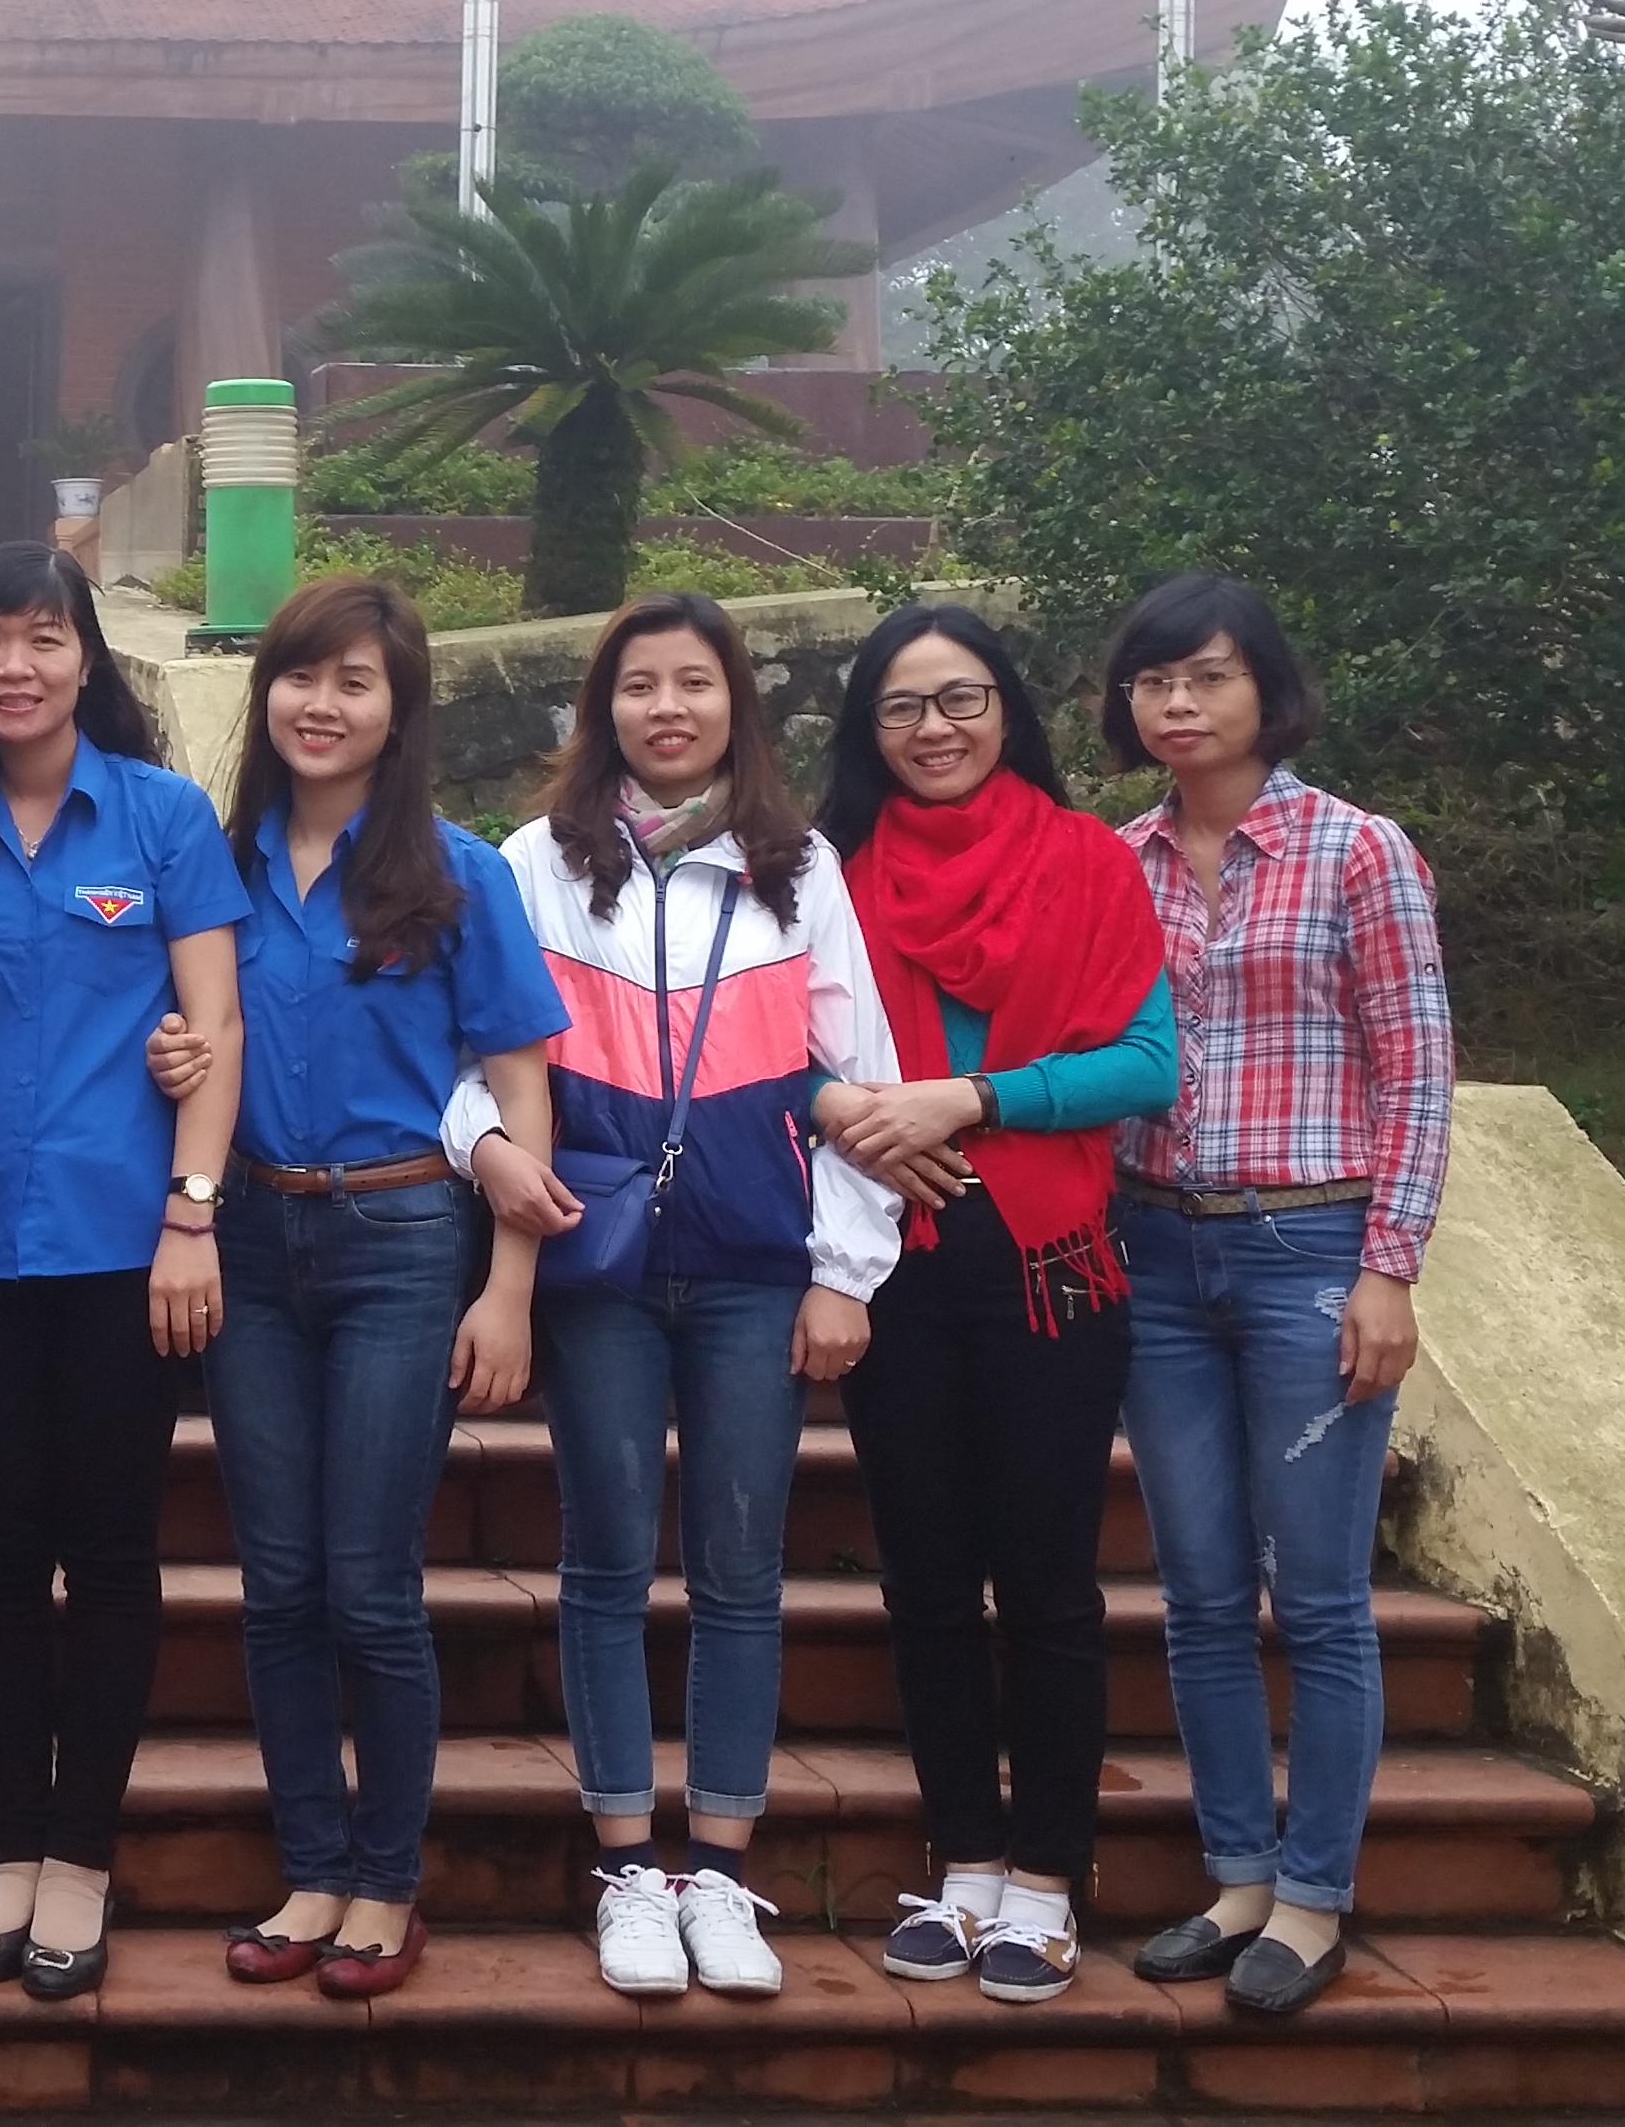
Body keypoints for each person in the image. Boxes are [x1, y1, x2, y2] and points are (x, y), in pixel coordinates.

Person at [503, 596, 904, 2000]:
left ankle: (721, 1873)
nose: (666, 708)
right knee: (605, 1559)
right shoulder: (536, 863)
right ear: (600, 707)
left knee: (740, 1569)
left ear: (736, 701)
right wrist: (490, 1158)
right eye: (638, 685)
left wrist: (844, 1271)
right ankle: (627, 1865)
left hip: (752, 1263)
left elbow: (858, 1070)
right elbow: (474, 1057)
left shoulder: (798, 869)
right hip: (597, 1262)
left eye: (693, 682)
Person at [197, 577, 569, 2002]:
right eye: (301, 676)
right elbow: (185, 1034)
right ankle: (310, 1867)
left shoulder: (456, 873)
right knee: (278, 1583)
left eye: (354, 681)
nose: (321, 704)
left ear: (398, 709)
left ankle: (385, 1880)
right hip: (247, 1237)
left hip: (400, 1240)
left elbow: (522, 1088)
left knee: (368, 1581)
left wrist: (509, 1288)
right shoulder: (215, 867)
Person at [808, 601, 1179, 2009]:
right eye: (902, 706)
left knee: (1045, 1584)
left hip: (1047, 1263)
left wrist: (969, 1098)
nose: (934, 728)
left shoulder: (1088, 861)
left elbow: (1145, 1062)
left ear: (1006, 709)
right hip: (888, 1254)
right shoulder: (830, 874)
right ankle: (962, 1861)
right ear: (870, 729)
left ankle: (1046, 1879)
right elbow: (775, 1047)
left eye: (960, 698)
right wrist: (856, 1113)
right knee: (922, 1579)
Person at [1096, 576, 1455, 2020]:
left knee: (1317, 1596)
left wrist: (1389, 1267)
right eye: (1152, 682)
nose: (1177, 704)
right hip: (1155, 1253)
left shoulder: (1357, 850)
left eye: (1207, 676)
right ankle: (1238, 1877)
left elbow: (1415, 1069)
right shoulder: (1113, 861)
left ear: (1266, 690)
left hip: (1308, 1255)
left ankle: (1313, 1899)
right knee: (1195, 1591)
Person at [0, 540, 241, 2002]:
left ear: (87, 657)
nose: (16, 667)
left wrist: (190, 1216)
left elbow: (213, 1028)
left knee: (105, 1552)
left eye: (43, 638)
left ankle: (82, 1858)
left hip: (123, 1248)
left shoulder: (160, 817)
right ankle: (12, 1849)